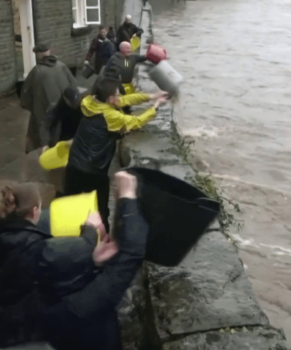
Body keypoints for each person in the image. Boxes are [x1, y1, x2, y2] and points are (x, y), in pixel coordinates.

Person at [0, 172, 149, 350]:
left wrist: (91, 261)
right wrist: (127, 197)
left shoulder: (17, 261)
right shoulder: (42, 256)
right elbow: (130, 255)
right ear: (34, 211)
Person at [0, 183, 102, 347]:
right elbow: (82, 249)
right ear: (35, 211)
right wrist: (90, 228)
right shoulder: (33, 247)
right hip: (18, 324)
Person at [64, 78, 168, 233]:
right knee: (100, 210)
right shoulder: (111, 117)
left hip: (73, 165)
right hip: (93, 170)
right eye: (117, 95)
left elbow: (124, 100)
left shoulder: (89, 102)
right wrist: (155, 106)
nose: (120, 97)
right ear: (111, 99)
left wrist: (151, 96)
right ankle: (102, 239)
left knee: (71, 205)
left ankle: (68, 234)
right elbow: (136, 121)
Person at [20, 43, 77, 154]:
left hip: (46, 111)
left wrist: (33, 107)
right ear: (49, 52)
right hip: (65, 108)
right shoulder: (61, 66)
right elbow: (73, 84)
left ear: (38, 55)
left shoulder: (36, 72)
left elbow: (25, 94)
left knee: (48, 132)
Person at [40, 87, 84, 197]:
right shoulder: (55, 108)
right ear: (64, 99)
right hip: (59, 143)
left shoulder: (83, 108)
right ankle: (61, 193)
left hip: (76, 143)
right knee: (60, 175)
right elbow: (45, 126)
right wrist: (45, 144)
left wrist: (76, 140)